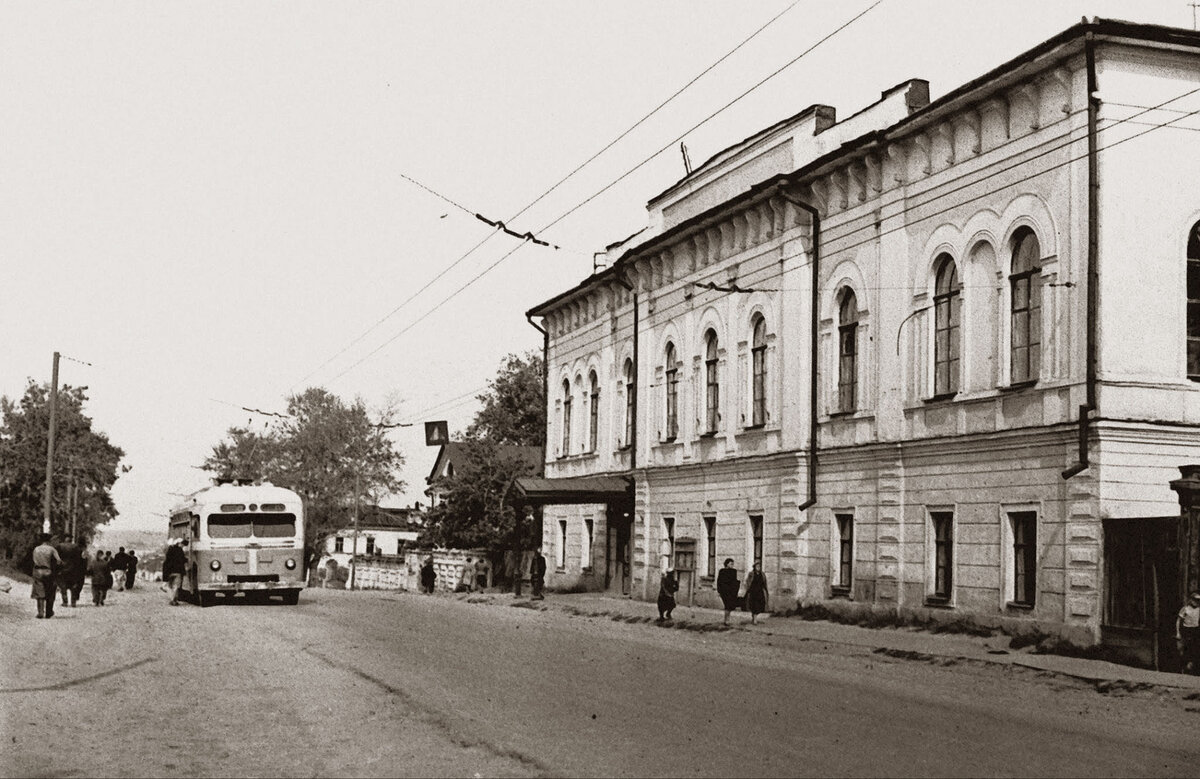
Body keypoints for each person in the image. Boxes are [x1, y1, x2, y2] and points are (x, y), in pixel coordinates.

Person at [30, 532, 63, 619]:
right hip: (48, 571)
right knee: (50, 591)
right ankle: (49, 612)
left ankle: (40, 612)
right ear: (49, 540)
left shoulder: (36, 549)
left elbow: (33, 560)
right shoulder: (52, 549)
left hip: (37, 571)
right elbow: (59, 561)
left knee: (39, 591)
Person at [55, 536, 86, 608]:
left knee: (63, 587)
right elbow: (80, 559)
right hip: (73, 570)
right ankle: (73, 602)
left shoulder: (59, 546)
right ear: (71, 540)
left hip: (62, 569)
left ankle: (65, 602)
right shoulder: (76, 547)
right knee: (73, 586)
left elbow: (56, 557)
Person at [1177, 591, 1200, 673]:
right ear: (1191, 600)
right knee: (1183, 649)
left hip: (1195, 630)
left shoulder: (1199, 609)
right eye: (1194, 600)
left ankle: (1191, 668)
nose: (1196, 602)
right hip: (1186, 630)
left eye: (1198, 600)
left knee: (1194, 650)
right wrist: (1178, 632)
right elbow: (1179, 621)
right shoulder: (1185, 609)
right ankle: (1182, 669)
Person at [163, 538, 187, 606]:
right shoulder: (180, 550)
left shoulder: (169, 551)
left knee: (170, 586)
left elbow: (166, 562)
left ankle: (172, 599)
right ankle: (174, 600)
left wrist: (166, 573)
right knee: (176, 586)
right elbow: (183, 559)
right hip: (178, 571)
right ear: (179, 544)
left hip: (170, 572)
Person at [716, 558, 740, 626]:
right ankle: (726, 620)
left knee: (730, 606)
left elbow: (734, 581)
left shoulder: (734, 571)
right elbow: (719, 581)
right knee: (727, 605)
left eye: (733, 564)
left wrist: (736, 590)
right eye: (731, 563)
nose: (732, 565)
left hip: (731, 592)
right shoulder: (722, 571)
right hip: (724, 591)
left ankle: (727, 618)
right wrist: (719, 590)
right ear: (727, 564)